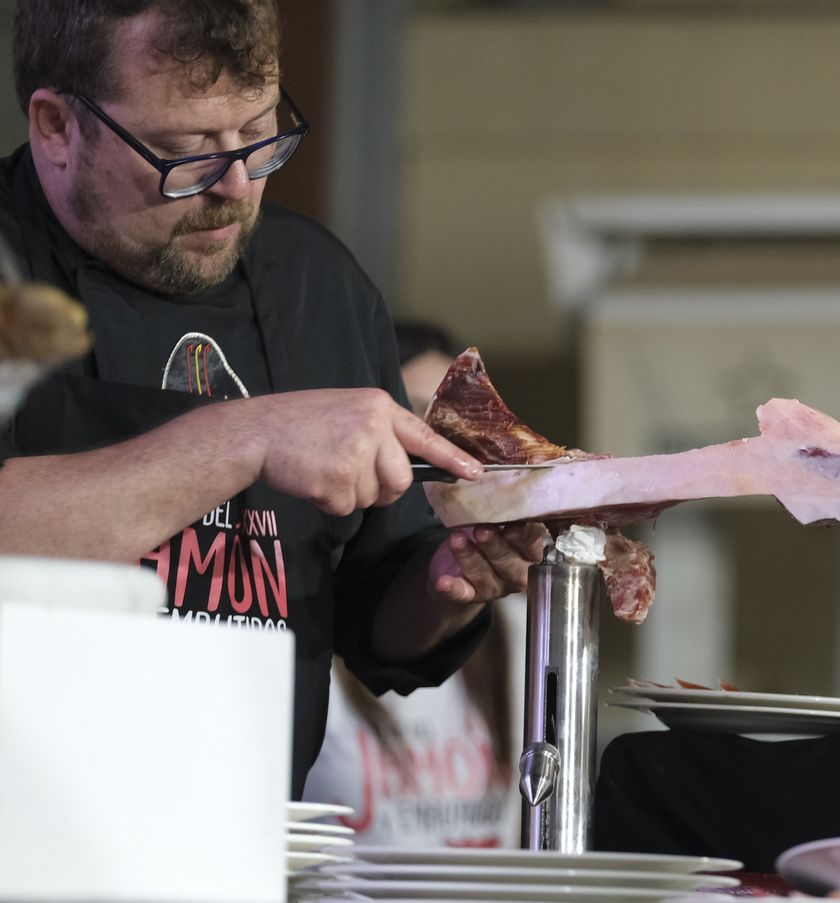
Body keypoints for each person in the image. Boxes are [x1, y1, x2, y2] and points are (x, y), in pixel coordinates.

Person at [0, 0, 546, 799]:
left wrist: (447, 581)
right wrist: (245, 438)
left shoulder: (315, 284)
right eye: (183, 153)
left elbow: (372, 613)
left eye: (260, 133)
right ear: (54, 124)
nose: (233, 185)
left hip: (251, 839)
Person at [303, 321, 523, 847]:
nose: (447, 457)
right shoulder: (305, 618)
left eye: (460, 430)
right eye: (415, 428)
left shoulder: (516, 627)